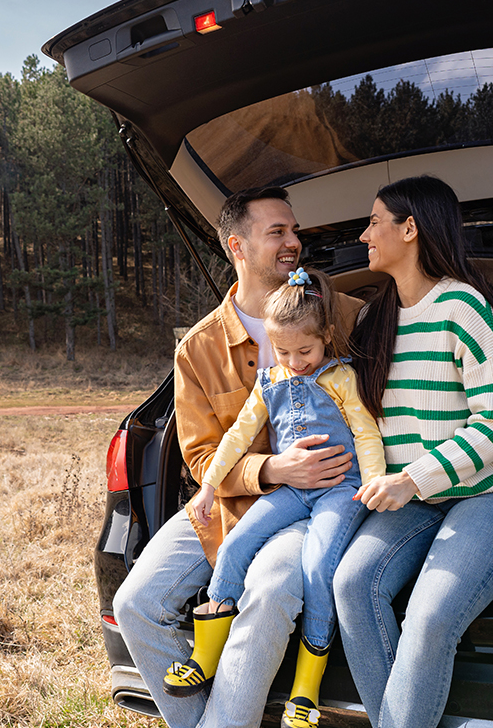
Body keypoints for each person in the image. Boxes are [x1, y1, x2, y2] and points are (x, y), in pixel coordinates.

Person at [112, 186, 365, 728]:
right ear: (237, 246)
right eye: (277, 232)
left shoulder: (344, 313)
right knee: (135, 603)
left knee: (267, 593)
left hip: (315, 503)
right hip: (227, 503)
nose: (293, 242)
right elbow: (201, 456)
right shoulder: (199, 347)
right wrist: (271, 468)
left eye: (294, 231)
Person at [333, 175, 493, 727]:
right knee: (351, 585)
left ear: (409, 229)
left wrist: (411, 479)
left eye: (374, 222)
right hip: (416, 501)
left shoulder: (463, 307)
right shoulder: (372, 319)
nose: (364, 235)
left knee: (429, 616)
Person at [163, 267, 384, 728]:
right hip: (292, 490)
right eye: (283, 351)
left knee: (318, 567)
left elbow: (366, 433)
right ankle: (206, 655)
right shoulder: (269, 382)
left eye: (305, 351)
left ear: (325, 338)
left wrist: (373, 484)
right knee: (237, 543)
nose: (295, 361)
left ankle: (306, 689)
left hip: (341, 491)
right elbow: (236, 438)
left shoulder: (340, 377)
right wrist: (208, 487)